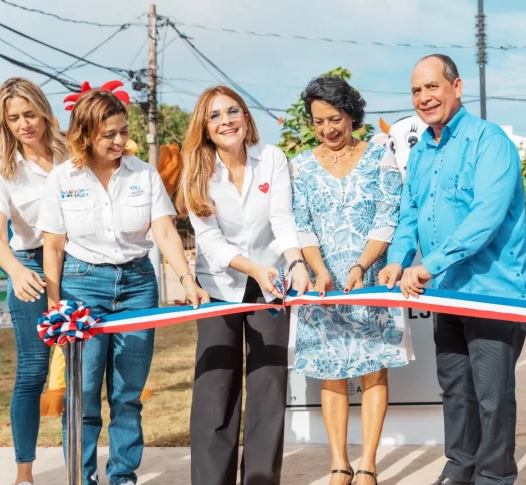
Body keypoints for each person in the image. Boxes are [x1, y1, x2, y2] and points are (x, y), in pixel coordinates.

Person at [37, 89, 209, 485]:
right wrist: (54, 302)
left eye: (123, 132)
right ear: (84, 135)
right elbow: (53, 245)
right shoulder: (62, 178)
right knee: (83, 395)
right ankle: (80, 477)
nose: (119, 142)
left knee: (127, 394)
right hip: (82, 287)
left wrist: (187, 277)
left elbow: (164, 230)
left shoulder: (144, 173)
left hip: (136, 285)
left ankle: (122, 476)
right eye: (108, 134)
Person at [379, 54, 526, 485]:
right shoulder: (422, 151)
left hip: (492, 291)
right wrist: (397, 259)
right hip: (445, 293)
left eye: (432, 86)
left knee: (492, 396)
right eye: (416, 90)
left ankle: (495, 477)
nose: (424, 97)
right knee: (455, 390)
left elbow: (484, 218)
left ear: (457, 87)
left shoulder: (490, 141)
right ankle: (459, 468)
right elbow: (409, 213)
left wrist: (427, 266)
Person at [178, 85, 310, 485]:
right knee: (216, 387)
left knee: (268, 386)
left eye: (232, 111)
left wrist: (297, 261)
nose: (226, 121)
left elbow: (283, 219)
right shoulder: (194, 169)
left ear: (246, 117)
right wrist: (252, 268)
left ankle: (260, 479)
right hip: (220, 283)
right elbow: (210, 241)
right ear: (204, 127)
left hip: (270, 284)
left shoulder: (272, 158)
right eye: (215, 115)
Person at [290, 76, 411, 485]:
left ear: (352, 115)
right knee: (331, 371)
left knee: (373, 370)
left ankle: (369, 465)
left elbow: (387, 216)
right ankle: (339, 464)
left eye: (335, 118)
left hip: (371, 278)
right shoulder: (301, 166)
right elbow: (301, 224)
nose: (328, 129)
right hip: (321, 282)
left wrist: (361, 266)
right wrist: (318, 269)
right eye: (318, 121)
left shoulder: (381, 156)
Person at [0, 77, 67, 485]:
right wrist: (16, 271)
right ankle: (24, 473)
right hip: (29, 267)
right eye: (13, 118)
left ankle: (79, 469)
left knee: (84, 375)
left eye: (30, 114)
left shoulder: (74, 156)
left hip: (82, 268)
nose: (24, 124)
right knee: (33, 372)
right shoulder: (0, 169)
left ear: (45, 112)